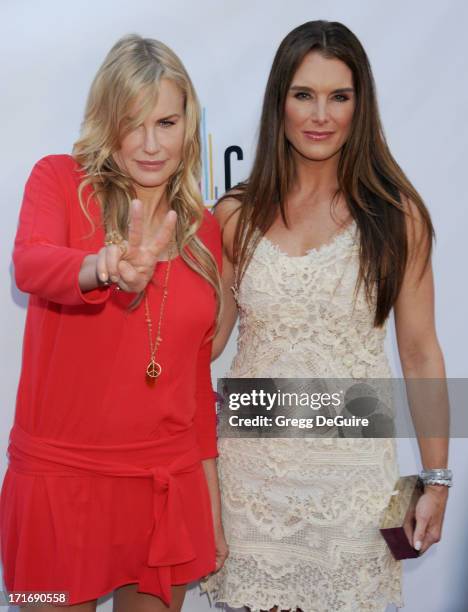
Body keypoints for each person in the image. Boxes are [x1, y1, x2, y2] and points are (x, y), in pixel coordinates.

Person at [201, 20, 450, 612]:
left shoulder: (395, 216)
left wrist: (438, 479)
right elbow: (206, 344)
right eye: (303, 94)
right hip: (250, 485)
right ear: (278, 102)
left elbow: (420, 353)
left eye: (339, 96)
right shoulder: (236, 214)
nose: (321, 114)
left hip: (353, 494)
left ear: (360, 106)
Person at [0, 34, 228, 611]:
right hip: (61, 484)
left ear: (189, 126)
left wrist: (213, 510)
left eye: (167, 123)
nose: (151, 145)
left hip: (165, 489)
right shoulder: (59, 181)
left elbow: (195, 387)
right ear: (106, 121)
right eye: (132, 123)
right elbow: (29, 262)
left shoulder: (204, 234)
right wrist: (98, 269)